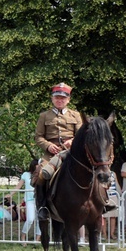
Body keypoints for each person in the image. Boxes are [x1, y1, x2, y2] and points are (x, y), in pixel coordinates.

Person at [34, 83, 83, 220]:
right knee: (41, 175)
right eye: (57, 98)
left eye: (63, 98)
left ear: (68, 99)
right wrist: (48, 145)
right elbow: (38, 137)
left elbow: (81, 135)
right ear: (52, 99)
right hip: (51, 154)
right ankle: (42, 206)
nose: (60, 100)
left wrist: (72, 141)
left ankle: (102, 202)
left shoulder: (76, 115)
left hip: (71, 153)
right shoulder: (44, 116)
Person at [6, 160, 41, 242]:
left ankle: (37, 240)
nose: (39, 167)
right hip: (30, 200)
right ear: (34, 166)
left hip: (40, 200)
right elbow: (18, 186)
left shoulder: (41, 174)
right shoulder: (26, 175)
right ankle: (23, 237)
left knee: (40, 220)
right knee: (30, 219)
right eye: (38, 165)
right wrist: (11, 194)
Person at [102, 171, 121, 240]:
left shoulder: (113, 173)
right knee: (103, 216)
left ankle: (112, 234)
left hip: (113, 195)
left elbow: (116, 183)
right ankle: (104, 234)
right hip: (104, 196)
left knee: (113, 216)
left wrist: (120, 193)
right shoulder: (100, 173)